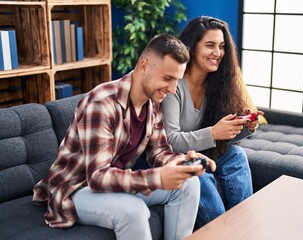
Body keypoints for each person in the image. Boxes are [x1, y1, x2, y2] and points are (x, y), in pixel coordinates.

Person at [32, 33, 216, 240]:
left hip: (114, 183)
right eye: (167, 78)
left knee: (189, 184)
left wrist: (184, 162)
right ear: (144, 66)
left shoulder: (152, 103)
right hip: (77, 189)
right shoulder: (102, 104)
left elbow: (159, 151)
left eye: (177, 80)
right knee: (133, 210)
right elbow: (97, 177)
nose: (173, 90)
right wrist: (158, 178)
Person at [161, 16, 264, 228]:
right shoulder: (174, 86)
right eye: (210, 45)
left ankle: (244, 227)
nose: (218, 53)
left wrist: (244, 128)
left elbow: (220, 136)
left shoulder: (217, 84)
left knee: (236, 155)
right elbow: (170, 140)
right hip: (176, 157)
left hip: (204, 150)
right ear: (191, 47)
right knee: (201, 175)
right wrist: (214, 133)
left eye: (221, 46)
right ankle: (222, 233)